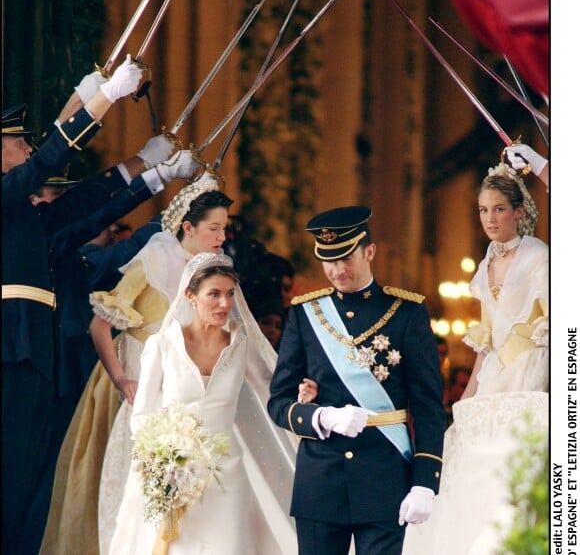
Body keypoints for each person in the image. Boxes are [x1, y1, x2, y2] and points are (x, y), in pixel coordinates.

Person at [40, 172, 233, 554]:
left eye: (224, 228)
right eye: (215, 228)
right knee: (132, 473)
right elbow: (100, 327)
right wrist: (121, 380)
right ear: (188, 227)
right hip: (135, 374)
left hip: (185, 382)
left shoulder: (213, 270)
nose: (222, 237)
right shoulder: (154, 260)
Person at [2, 54, 144, 555]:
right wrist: (100, 101)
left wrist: (148, 167)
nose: (26, 149)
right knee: (13, 474)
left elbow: (80, 206)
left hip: (32, 350)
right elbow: (46, 162)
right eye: (16, 143)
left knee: (28, 475)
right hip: (10, 349)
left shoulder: (20, 209)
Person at [268, 206, 446, 555]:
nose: (337, 270)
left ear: (370, 251)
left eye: (346, 258)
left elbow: (428, 408)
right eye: (328, 261)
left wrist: (426, 482)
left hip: (386, 477)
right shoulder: (305, 315)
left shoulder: (407, 313)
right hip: (320, 482)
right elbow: (278, 402)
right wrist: (322, 417)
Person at [402, 162, 548, 554]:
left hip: (528, 371)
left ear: (519, 211)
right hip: (493, 376)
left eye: (498, 208)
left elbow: (545, 323)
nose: (490, 218)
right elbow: (484, 339)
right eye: (483, 210)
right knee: (469, 459)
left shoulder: (538, 256)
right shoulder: (487, 262)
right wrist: (467, 395)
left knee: (511, 459)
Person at [109, 252, 293, 554]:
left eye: (230, 294)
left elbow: (272, 386)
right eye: (214, 294)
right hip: (173, 474)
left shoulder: (240, 343)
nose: (224, 304)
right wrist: (161, 461)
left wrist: (304, 394)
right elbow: (141, 414)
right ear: (190, 296)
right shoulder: (163, 344)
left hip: (228, 473)